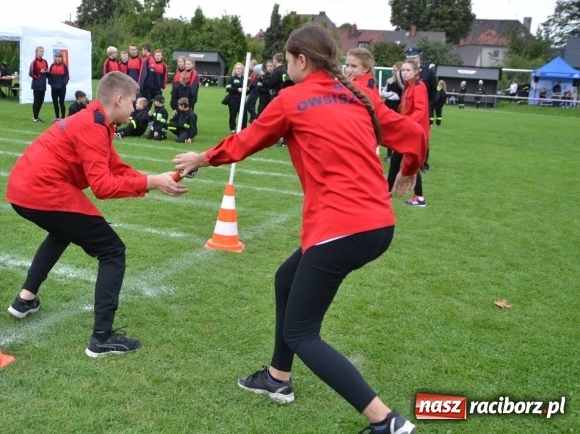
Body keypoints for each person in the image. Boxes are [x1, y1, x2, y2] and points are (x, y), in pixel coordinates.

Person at [172, 23, 426, 434]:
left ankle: (387, 423)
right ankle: (278, 378)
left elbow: (247, 140)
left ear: (301, 60)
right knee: (286, 279)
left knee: (302, 332)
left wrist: (202, 157)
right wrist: (407, 173)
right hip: (378, 225)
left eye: (288, 60)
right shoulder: (359, 95)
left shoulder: (293, 99)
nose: (287, 66)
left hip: (342, 228)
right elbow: (414, 134)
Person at [5, 71, 187, 357]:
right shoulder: (92, 125)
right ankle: (102, 337)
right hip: (40, 190)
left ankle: (24, 300)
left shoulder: (97, 120)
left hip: (26, 187)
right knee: (113, 250)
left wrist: (154, 179)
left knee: (61, 232)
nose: (136, 107)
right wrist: (151, 182)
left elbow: (113, 165)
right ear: (119, 100)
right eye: (133, 102)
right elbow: (102, 186)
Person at [386, 59, 430, 207]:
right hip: (409, 130)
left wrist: (405, 124)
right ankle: (388, 193)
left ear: (415, 72)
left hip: (413, 131)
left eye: (407, 70)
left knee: (408, 163)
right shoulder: (409, 86)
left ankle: (418, 197)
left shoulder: (418, 86)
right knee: (397, 161)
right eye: (403, 70)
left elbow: (420, 110)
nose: (404, 73)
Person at [380, 62, 403, 161]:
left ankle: (396, 153)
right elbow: (383, 93)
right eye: (392, 70)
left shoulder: (401, 83)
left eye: (395, 70)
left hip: (396, 107)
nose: (393, 71)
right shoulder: (389, 81)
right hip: (388, 106)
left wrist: (393, 95)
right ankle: (389, 154)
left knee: (395, 131)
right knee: (387, 131)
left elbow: (399, 96)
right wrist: (390, 94)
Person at [28, 46, 49, 123]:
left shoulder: (45, 61)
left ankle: (36, 116)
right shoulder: (34, 62)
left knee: (41, 101)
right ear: (36, 52)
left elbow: (46, 72)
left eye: (42, 51)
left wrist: (47, 72)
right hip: (36, 84)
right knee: (36, 101)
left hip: (43, 84)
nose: (41, 53)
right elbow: (31, 73)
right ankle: (35, 117)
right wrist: (40, 72)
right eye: (40, 51)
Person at [224, 62, 246, 134]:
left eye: (240, 68)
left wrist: (246, 90)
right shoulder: (232, 78)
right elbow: (228, 88)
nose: (239, 69)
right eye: (237, 68)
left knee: (244, 116)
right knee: (233, 115)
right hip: (233, 100)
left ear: (242, 69)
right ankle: (233, 130)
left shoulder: (245, 79)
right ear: (235, 69)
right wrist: (237, 89)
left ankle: (243, 130)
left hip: (242, 100)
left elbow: (248, 89)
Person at [48, 51, 69, 121]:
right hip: (53, 88)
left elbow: (67, 77)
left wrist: (62, 84)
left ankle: (63, 117)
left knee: (61, 102)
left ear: (62, 58)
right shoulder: (52, 66)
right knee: (55, 102)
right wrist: (51, 83)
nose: (58, 58)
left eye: (59, 57)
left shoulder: (64, 66)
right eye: (56, 57)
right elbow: (50, 76)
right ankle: (57, 117)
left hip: (62, 88)